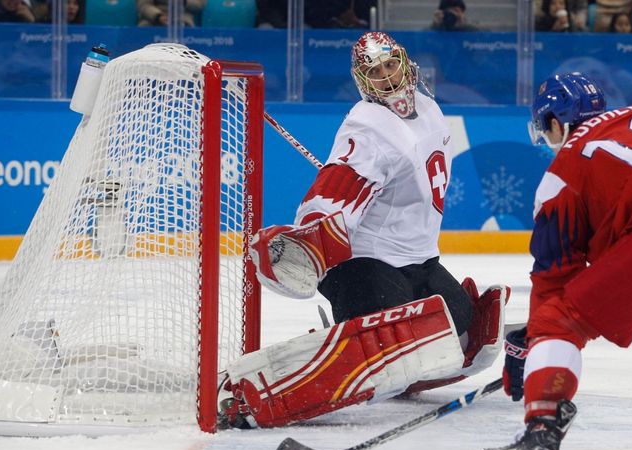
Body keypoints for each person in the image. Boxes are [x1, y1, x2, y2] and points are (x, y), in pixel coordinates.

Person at [218, 32, 508, 429]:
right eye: (374, 72)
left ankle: (380, 347)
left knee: (458, 321)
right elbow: (340, 184)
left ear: (404, 63)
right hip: (363, 263)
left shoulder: (428, 108)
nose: (386, 78)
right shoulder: (367, 126)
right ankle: (303, 368)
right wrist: (315, 235)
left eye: (390, 66)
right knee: (394, 333)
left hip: (417, 259)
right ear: (362, 80)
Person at [469, 73, 632, 450]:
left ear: (554, 123)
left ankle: (540, 436)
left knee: (559, 323)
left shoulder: (565, 171)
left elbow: (553, 286)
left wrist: (532, 347)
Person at [137, 0, 205, 27]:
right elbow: (144, 5)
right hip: (154, 19)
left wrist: (184, 1)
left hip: (183, 18)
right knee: (144, 26)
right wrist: (158, 16)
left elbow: (198, 5)